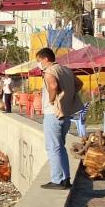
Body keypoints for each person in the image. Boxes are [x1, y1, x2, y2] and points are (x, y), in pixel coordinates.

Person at [36, 47, 83, 190]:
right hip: (66, 114)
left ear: (45, 59)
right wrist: (67, 97)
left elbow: (53, 85)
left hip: (53, 113)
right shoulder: (66, 70)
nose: (39, 64)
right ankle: (66, 178)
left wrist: (52, 100)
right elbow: (79, 84)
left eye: (39, 61)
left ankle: (57, 180)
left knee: (53, 148)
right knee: (60, 147)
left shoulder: (50, 71)